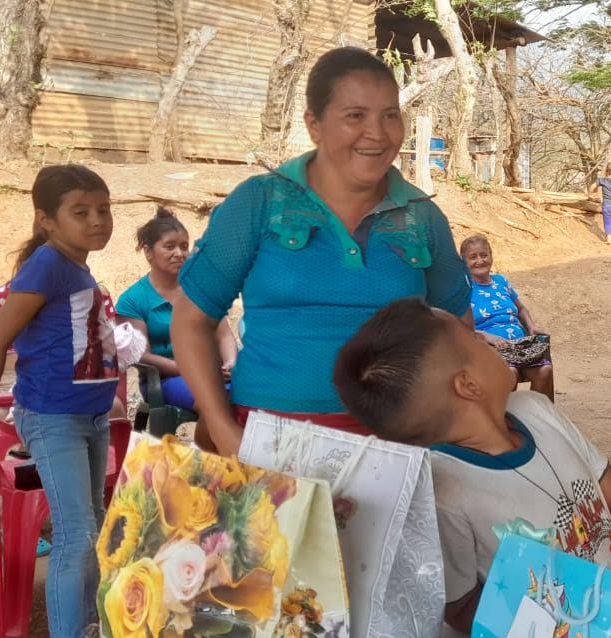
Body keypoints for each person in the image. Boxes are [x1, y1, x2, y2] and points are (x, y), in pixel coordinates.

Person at [170, 46, 471, 456]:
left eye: (390, 115)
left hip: (395, 447)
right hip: (267, 438)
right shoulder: (259, 203)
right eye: (355, 116)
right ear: (314, 124)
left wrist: (445, 425)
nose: (378, 134)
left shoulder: (422, 216)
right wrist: (224, 431)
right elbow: (191, 321)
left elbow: (458, 326)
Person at [332, 298, 611, 638]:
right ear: (469, 385)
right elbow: (460, 608)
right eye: (475, 339)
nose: (490, 340)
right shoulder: (444, 494)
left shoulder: (537, 409)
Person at [0, 165, 122, 638]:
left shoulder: (73, 268)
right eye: (80, 212)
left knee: (90, 526)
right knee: (75, 535)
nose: (97, 221)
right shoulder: (46, 265)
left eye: (104, 209)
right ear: (45, 220)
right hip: (53, 419)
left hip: (85, 419)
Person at [116, 207, 237, 412]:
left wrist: (231, 362)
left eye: (184, 246)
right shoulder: (132, 300)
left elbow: (223, 334)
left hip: (214, 372)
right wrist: (191, 369)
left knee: (258, 396)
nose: (179, 254)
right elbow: (140, 355)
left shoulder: (200, 288)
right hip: (167, 380)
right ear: (148, 252)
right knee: (218, 404)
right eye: (169, 246)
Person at [460, 234, 555, 401]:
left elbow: (521, 308)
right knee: (509, 373)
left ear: (491, 256)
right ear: (464, 262)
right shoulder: (463, 289)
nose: (479, 261)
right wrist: (488, 337)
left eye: (484, 255)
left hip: (519, 345)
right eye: (472, 257)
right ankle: (505, 422)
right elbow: (460, 326)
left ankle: (539, 419)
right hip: (489, 347)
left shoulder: (501, 281)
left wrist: (531, 326)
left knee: (545, 370)